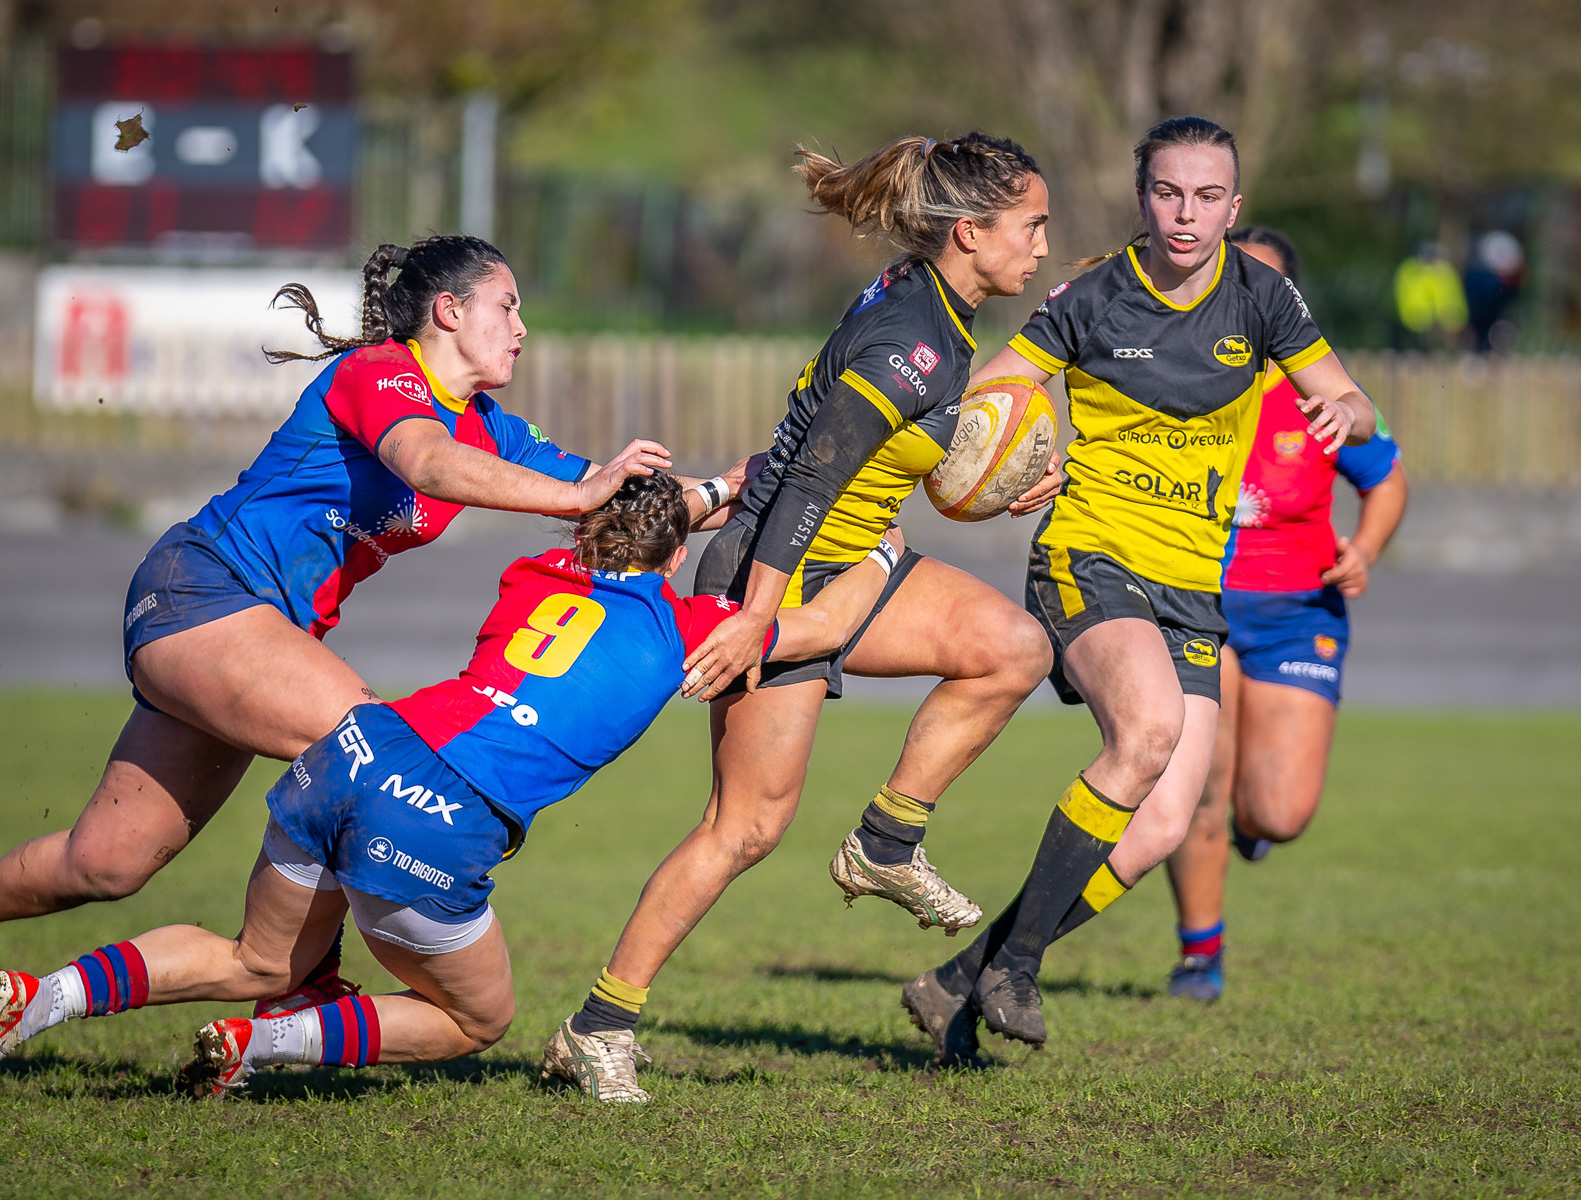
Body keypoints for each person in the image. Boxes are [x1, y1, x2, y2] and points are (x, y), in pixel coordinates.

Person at [0, 472, 904, 1099]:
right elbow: (826, 625)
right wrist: (882, 555)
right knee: (478, 1020)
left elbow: (635, 527)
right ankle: (263, 1040)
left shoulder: (531, 573)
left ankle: (35, 1000)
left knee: (257, 962)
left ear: (585, 532)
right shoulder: (691, 630)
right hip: (437, 815)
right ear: (673, 559)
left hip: (354, 748)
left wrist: (697, 494)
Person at [0, 234, 723, 1015]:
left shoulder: (495, 431)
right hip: (204, 589)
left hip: (250, 632)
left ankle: (283, 978)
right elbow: (426, 462)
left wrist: (740, 487)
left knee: (103, 865)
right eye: (507, 306)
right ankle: (302, 983)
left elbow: (634, 502)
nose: (521, 328)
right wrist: (577, 497)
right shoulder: (379, 372)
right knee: (377, 754)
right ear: (449, 311)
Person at [540, 132, 1064, 1102]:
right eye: (1029, 226)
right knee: (744, 827)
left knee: (1012, 647)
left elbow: (897, 455)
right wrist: (756, 617)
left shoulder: (938, 312)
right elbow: (810, 481)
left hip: (855, 559)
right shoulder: (913, 342)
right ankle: (598, 1026)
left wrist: (1011, 475)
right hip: (780, 566)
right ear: (969, 230)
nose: (1041, 244)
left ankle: (887, 842)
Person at [900, 117, 1378, 1064]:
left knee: (1160, 824)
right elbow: (987, 397)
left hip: (1193, 584)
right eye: (1168, 193)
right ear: (1142, 200)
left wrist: (1344, 409)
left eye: (1207, 196)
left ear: (1234, 208)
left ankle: (962, 977)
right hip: (1091, 555)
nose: (1186, 214)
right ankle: (1017, 967)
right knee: (1149, 733)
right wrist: (1010, 456)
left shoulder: (1262, 296)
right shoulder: (1093, 297)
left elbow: (1356, 402)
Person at [1162, 226, 1408, 1003]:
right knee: (1200, 781)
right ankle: (1199, 955)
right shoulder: (1172, 381)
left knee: (1280, 812)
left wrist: (1365, 548)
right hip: (1193, 608)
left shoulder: (1322, 396)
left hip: (1298, 613)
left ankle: (1254, 824)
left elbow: (1386, 477)